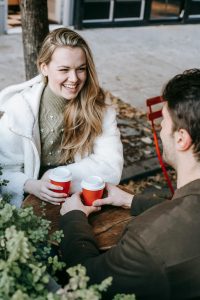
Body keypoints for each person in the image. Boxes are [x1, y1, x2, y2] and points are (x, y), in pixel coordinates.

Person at [59, 69, 200, 300]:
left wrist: (73, 217)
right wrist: (130, 199)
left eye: (164, 121)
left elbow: (89, 279)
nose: (160, 128)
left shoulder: (147, 242)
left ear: (181, 138)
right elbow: (185, 210)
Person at [0, 28, 123, 207]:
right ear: (44, 68)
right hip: (29, 206)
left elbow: (111, 166)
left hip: (83, 201)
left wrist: (56, 175)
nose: (73, 78)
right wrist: (30, 185)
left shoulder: (99, 106)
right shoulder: (19, 110)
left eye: (81, 69)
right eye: (64, 69)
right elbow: (4, 170)